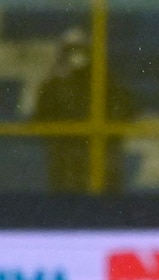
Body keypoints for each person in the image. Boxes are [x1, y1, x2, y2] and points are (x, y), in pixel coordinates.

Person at [32, 27, 137, 194]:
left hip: (101, 150)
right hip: (67, 153)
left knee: (104, 190)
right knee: (67, 191)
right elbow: (40, 118)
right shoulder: (52, 86)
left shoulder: (106, 82)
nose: (76, 55)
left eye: (80, 49)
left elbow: (126, 109)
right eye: (70, 49)